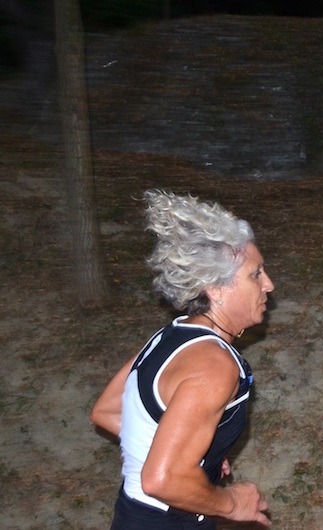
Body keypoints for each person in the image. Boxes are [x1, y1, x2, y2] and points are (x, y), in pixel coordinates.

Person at [90, 189, 274, 529]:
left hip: (132, 516)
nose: (269, 285)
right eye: (256, 274)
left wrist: (194, 453)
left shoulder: (171, 336)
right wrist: (232, 503)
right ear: (215, 289)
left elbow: (107, 411)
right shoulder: (214, 366)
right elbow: (161, 480)